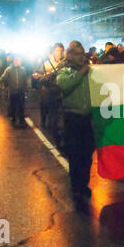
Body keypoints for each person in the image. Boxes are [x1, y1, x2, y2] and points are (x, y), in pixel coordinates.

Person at [56, 46, 94, 210]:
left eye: (82, 53)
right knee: (75, 155)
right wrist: (81, 72)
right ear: (69, 56)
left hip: (88, 119)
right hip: (73, 119)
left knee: (87, 154)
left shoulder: (92, 70)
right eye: (77, 54)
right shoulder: (63, 71)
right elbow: (65, 86)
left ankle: (84, 184)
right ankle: (76, 188)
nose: (81, 56)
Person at [34, 43, 64, 135]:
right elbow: (36, 74)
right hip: (48, 92)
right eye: (57, 50)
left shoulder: (63, 64)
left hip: (60, 92)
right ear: (53, 52)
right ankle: (48, 126)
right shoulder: (46, 64)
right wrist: (44, 77)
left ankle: (55, 130)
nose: (59, 53)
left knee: (57, 113)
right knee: (48, 111)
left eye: (60, 51)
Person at [0, 55, 27, 127]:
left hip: (21, 91)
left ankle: (21, 120)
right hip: (12, 91)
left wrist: (25, 90)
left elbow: (24, 81)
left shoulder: (23, 69)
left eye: (20, 60)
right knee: (13, 106)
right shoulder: (9, 69)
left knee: (21, 106)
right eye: (19, 60)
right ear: (15, 61)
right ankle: (13, 120)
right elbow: (3, 77)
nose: (20, 62)